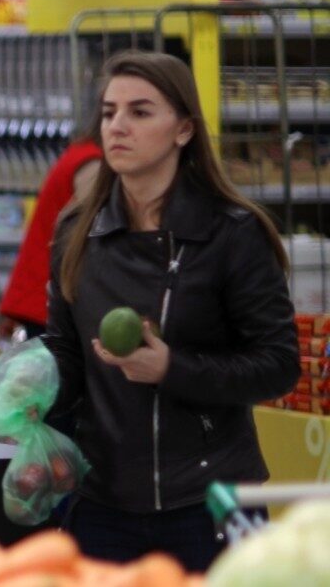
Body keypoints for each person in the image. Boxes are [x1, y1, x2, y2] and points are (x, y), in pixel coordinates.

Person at [42, 50, 298, 572]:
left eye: (140, 112)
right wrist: (32, 392)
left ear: (183, 129)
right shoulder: (77, 234)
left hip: (216, 500)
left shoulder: (232, 233)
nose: (117, 126)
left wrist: (171, 369)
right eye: (109, 111)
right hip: (102, 503)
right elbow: (68, 355)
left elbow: (278, 364)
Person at [0, 137, 101, 339]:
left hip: (42, 293)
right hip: (50, 297)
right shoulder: (92, 163)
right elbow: (93, 232)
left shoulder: (80, 153)